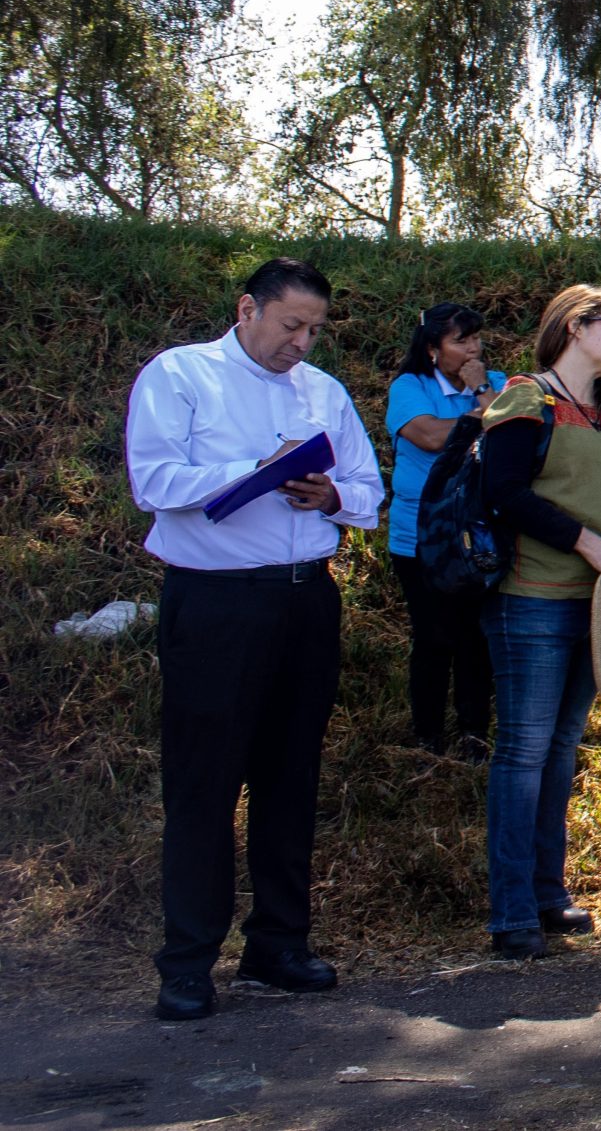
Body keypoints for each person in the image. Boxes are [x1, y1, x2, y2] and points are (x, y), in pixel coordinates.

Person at [123, 257, 385, 1021]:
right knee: (204, 782)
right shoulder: (180, 375)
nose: (302, 342)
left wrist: (330, 494)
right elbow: (153, 480)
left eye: (315, 330)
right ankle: (187, 960)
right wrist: (255, 471)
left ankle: (278, 943)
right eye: (291, 324)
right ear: (248, 308)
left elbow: (370, 491)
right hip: (216, 603)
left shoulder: (324, 392)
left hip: (306, 599)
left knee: (291, 775)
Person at [477, 284, 601, 960]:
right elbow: (502, 493)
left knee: (561, 747)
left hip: (595, 608)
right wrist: (583, 540)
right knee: (523, 752)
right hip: (533, 601)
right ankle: (512, 910)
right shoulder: (525, 399)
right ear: (575, 325)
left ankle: (547, 894)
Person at [381, 302, 507, 757]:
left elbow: (514, 434)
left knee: (476, 635)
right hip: (421, 536)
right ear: (433, 348)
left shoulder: (497, 382)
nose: (474, 349)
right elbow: (431, 436)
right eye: (461, 341)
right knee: (434, 636)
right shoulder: (409, 387)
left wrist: (482, 392)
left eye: (476, 338)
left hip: (478, 533)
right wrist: (482, 413)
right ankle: (427, 735)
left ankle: (473, 731)